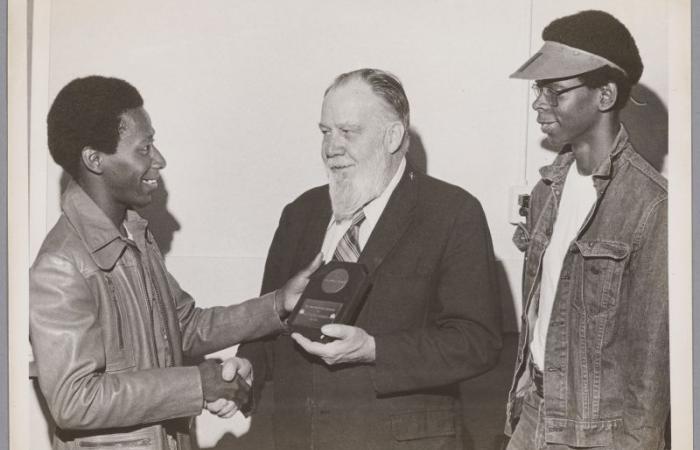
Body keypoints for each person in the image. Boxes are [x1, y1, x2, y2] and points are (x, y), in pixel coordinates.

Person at [29, 75, 321, 450]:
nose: (159, 160)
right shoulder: (61, 265)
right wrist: (198, 384)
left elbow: (184, 326)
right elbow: (74, 400)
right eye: (144, 148)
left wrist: (279, 304)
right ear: (94, 159)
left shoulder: (134, 236)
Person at [237, 68, 502, 449]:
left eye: (348, 132)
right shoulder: (300, 213)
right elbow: (271, 322)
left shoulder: (452, 212)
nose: (331, 148)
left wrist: (375, 349)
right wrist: (249, 367)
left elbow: (476, 341)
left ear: (392, 136)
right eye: (325, 132)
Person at [503, 10, 668, 450]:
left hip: (595, 436)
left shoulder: (652, 206)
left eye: (554, 92)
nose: (539, 103)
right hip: (532, 413)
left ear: (605, 94)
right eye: (540, 90)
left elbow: (650, 370)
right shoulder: (546, 190)